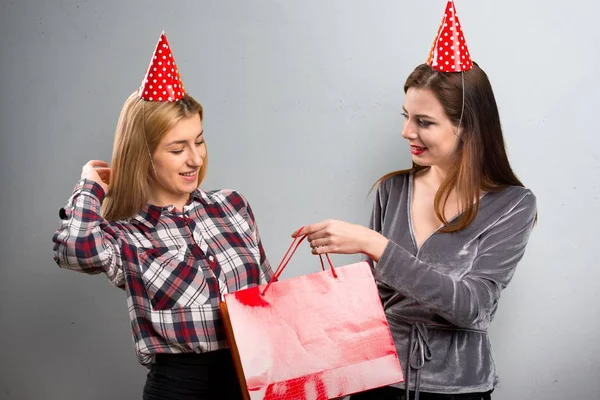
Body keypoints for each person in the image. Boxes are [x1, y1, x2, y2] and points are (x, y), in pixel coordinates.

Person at [294, 2, 537, 399]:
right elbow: (373, 303)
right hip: (378, 381)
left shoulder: (512, 205)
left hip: (457, 388)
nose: (407, 132)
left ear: (468, 127)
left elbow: (473, 307)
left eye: (424, 122)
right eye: (406, 116)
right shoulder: (393, 191)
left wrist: (376, 246)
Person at [52, 32, 271, 400]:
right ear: (144, 154)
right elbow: (76, 251)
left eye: (199, 141)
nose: (195, 159)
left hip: (258, 381)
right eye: (177, 148)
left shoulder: (233, 206)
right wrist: (90, 185)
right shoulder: (124, 235)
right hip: (181, 389)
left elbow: (269, 298)